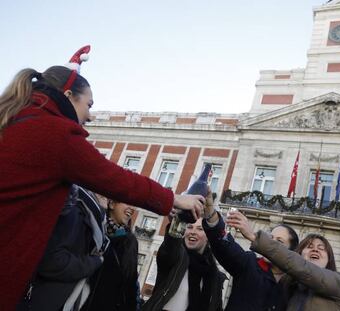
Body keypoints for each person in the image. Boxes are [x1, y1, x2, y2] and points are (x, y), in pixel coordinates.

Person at [0, 51, 204, 310]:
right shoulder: (55, 133)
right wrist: (173, 198)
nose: (90, 116)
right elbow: (116, 179)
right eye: (89, 105)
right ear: (68, 97)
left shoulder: (17, 118)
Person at [202, 191, 299, 311]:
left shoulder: (296, 284)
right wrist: (211, 214)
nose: (270, 244)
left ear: (292, 251)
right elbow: (224, 245)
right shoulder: (250, 263)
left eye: (279, 241)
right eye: (269, 238)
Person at [249, 232, 340, 311]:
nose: (315, 250)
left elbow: (306, 270)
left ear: (329, 259)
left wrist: (257, 239)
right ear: (299, 254)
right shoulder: (290, 289)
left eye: (321, 248)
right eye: (309, 247)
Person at [142, 215, 225, 311]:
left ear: (208, 236)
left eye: (200, 229)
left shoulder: (215, 276)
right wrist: (178, 219)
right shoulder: (176, 257)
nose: (193, 232)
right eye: (189, 227)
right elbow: (170, 247)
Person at [83, 200, 141, 311]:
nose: (132, 208)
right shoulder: (92, 228)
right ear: (111, 204)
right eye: (127, 201)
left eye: (133, 204)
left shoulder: (130, 241)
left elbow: (130, 286)